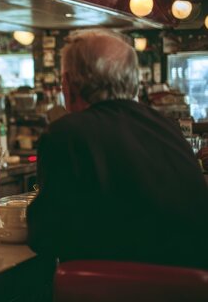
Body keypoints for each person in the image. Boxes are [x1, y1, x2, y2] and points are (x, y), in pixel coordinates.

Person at [27, 29, 208, 270]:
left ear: (68, 84)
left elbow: (46, 236)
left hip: (117, 289)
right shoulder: (165, 126)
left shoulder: (66, 133)